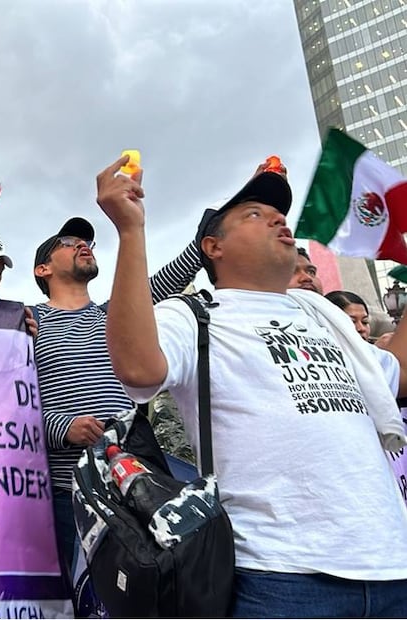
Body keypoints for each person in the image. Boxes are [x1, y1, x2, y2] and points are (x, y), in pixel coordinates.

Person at [97, 154, 407, 617]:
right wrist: (129, 231)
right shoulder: (196, 316)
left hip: (391, 566)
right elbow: (140, 369)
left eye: (279, 214)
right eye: (255, 214)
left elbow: (397, 375)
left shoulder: (324, 317)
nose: (279, 220)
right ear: (213, 247)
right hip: (278, 577)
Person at [32, 205, 204, 590]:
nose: (82, 245)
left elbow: (162, 282)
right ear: (42, 269)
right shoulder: (28, 321)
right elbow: (4, 410)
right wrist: (62, 428)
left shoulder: (115, 315)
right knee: (78, 597)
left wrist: (214, 229)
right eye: (68, 243)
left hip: (135, 485)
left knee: (144, 597)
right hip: (66, 494)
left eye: (86, 242)